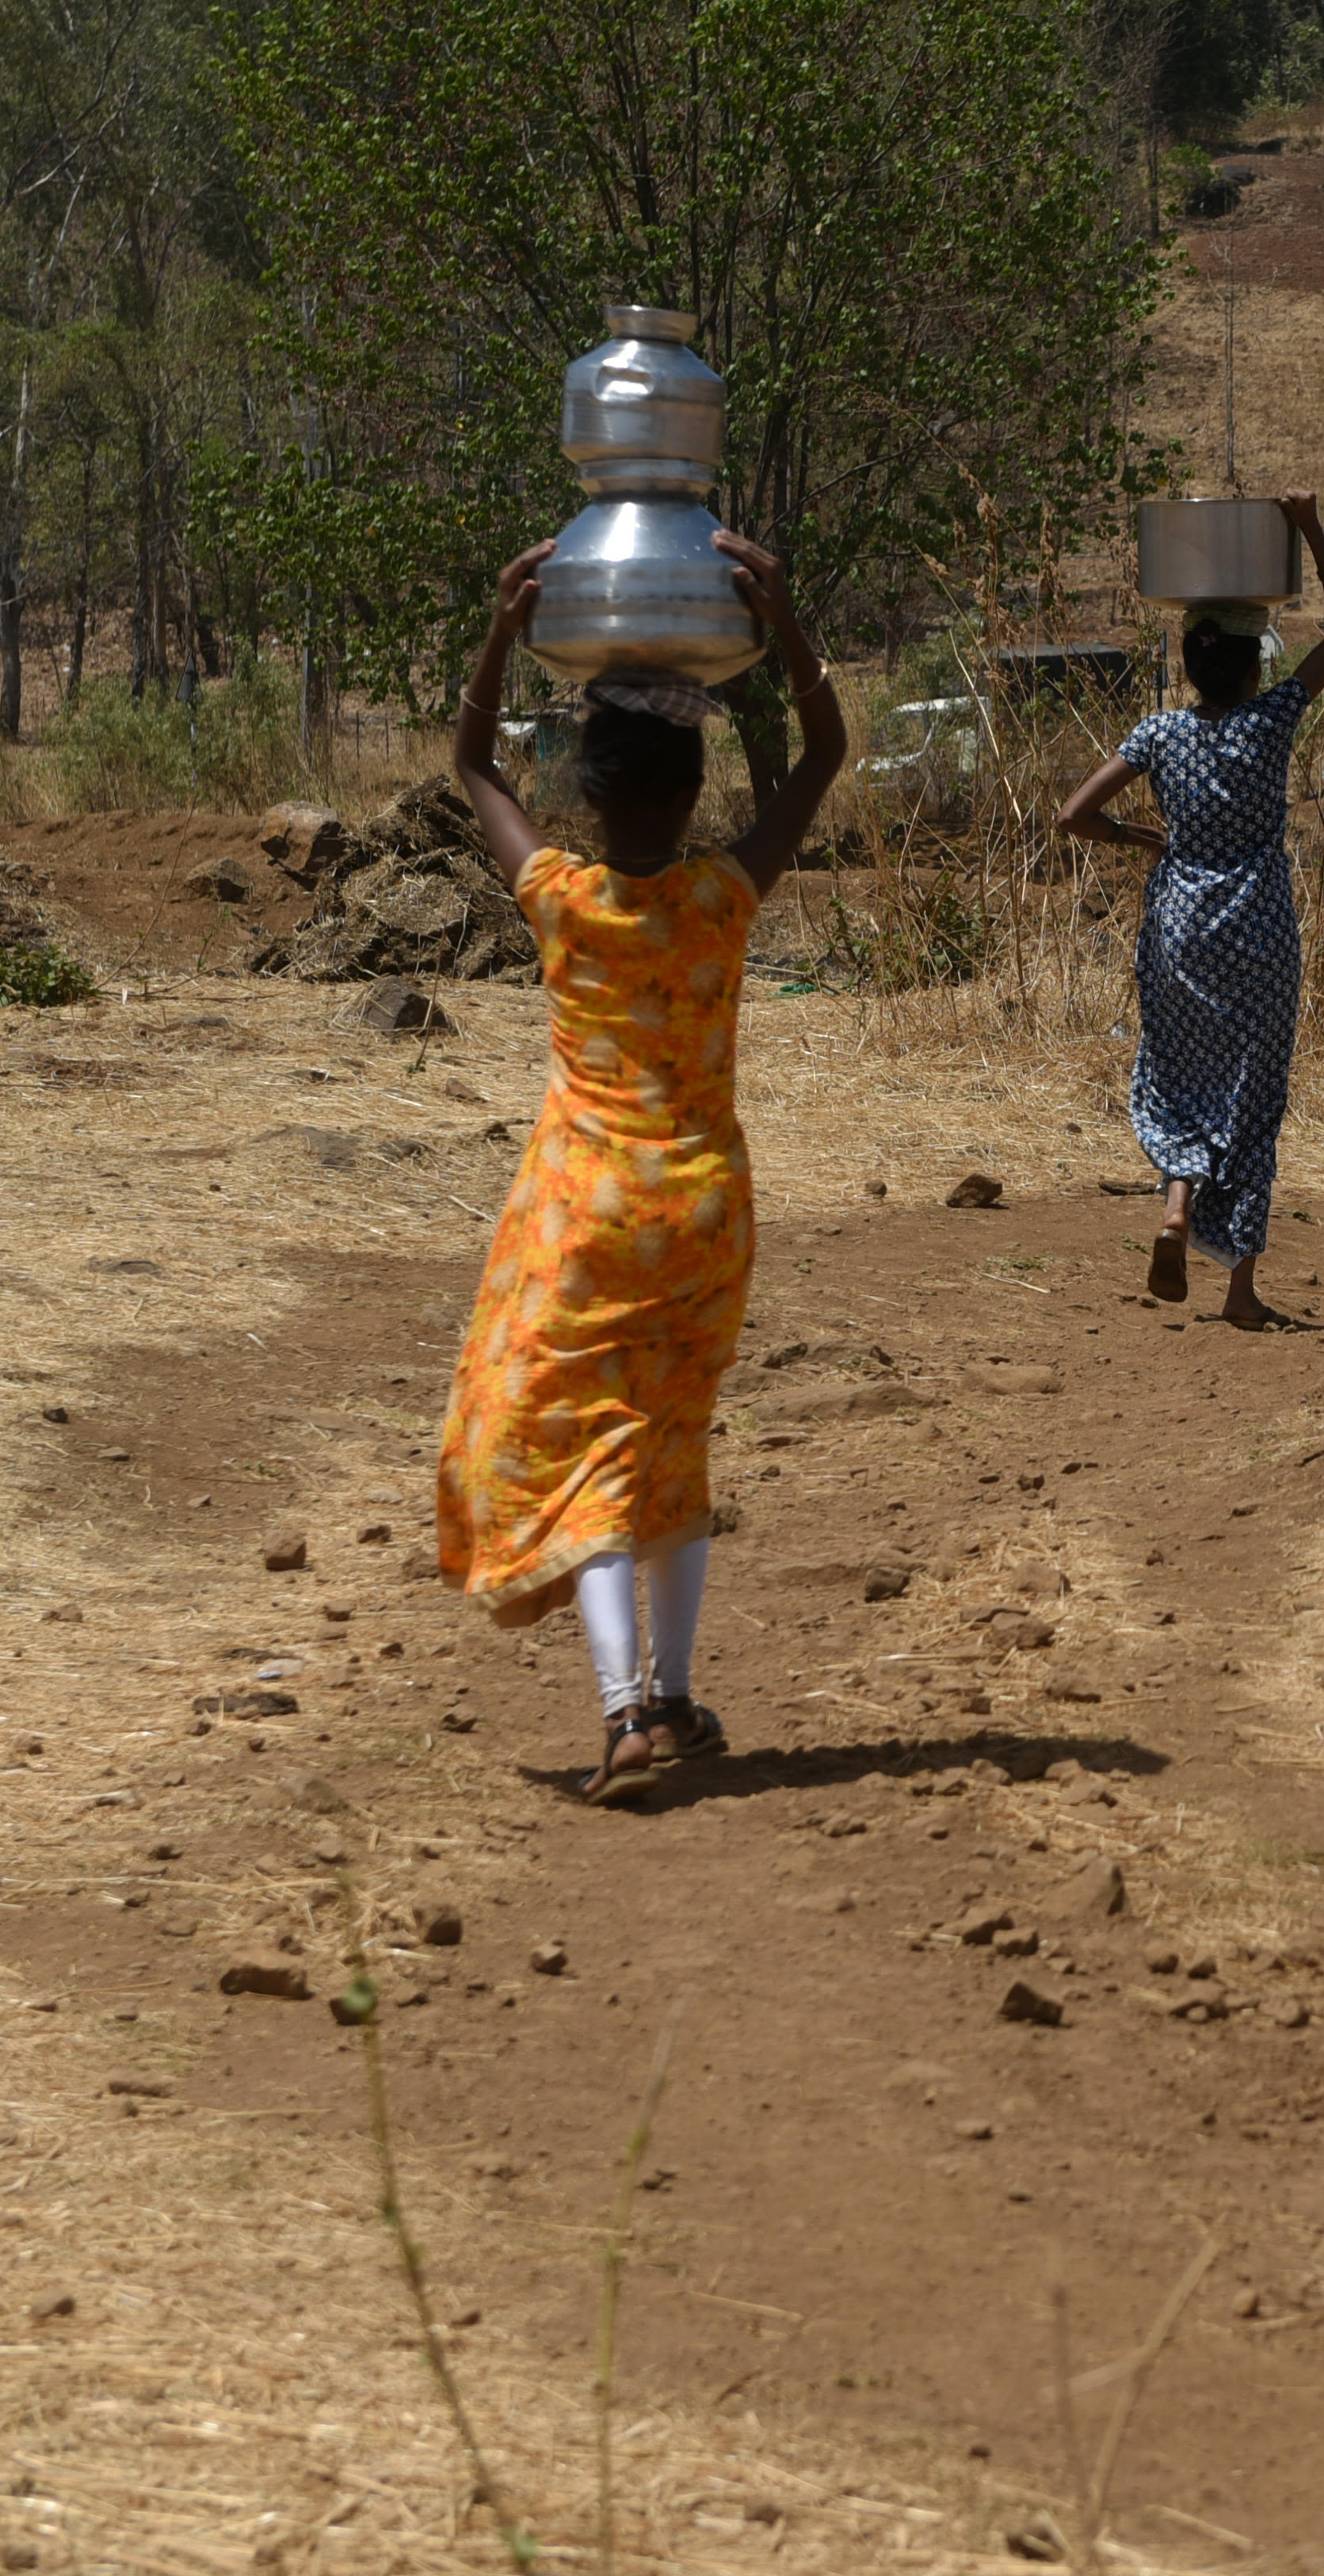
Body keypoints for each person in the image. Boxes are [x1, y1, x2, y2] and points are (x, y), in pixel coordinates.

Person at [434, 528, 851, 1804]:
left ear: (592, 792)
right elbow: (829, 753)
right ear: (692, 791)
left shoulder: (560, 897)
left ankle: (626, 1715)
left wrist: (505, 629)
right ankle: (671, 1695)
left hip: (589, 1216)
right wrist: (779, 617)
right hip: (707, 1212)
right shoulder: (724, 899)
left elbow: (466, 764)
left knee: (593, 1451)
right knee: (674, 1439)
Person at [1055, 492, 1324, 1327]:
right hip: (1258, 925)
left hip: (1180, 925)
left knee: (1185, 1075)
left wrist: (1142, 838)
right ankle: (1240, 1291)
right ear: (1253, 663)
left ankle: (1175, 1207)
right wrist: (1310, 531)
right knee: (1252, 1096)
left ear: (1191, 662)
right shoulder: (1272, 721)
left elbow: (1072, 816)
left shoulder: (1159, 734)